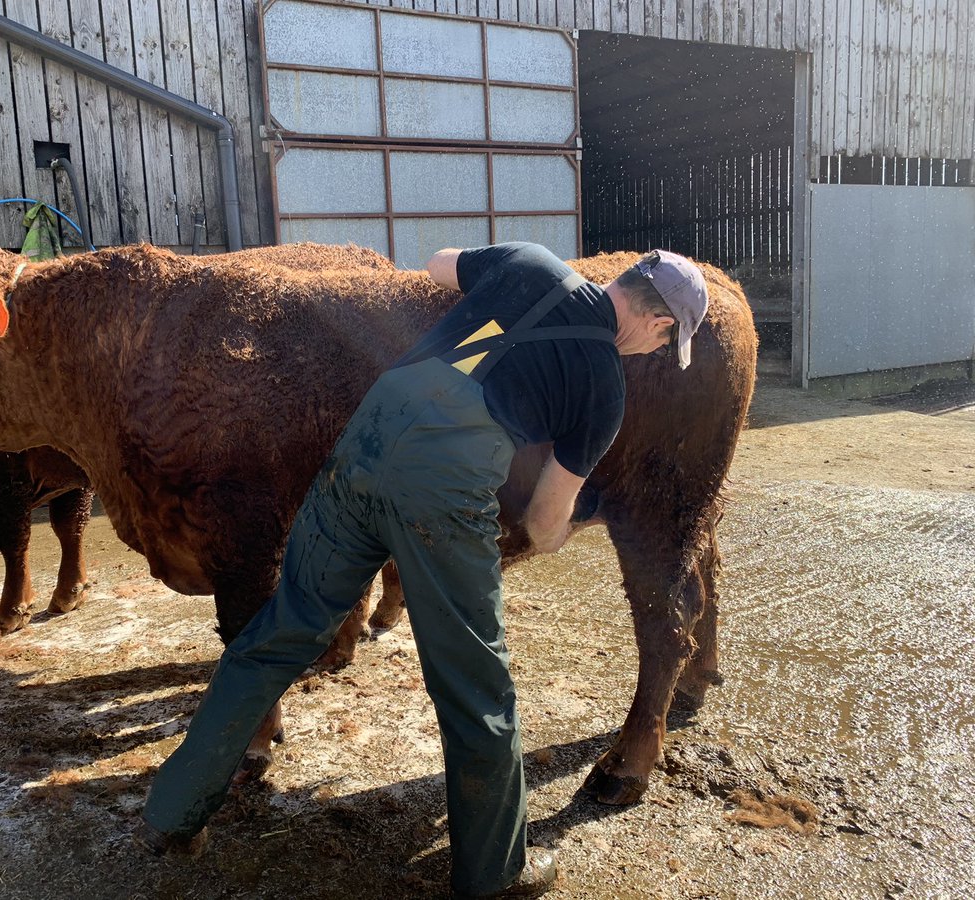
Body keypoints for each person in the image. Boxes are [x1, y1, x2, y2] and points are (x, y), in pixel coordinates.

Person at [134, 243, 710, 898]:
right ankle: (496, 871)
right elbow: (543, 524)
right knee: (476, 686)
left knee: (279, 633)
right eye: (664, 342)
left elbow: (438, 264)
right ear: (659, 323)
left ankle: (172, 814)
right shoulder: (604, 389)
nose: (654, 351)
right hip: (441, 488)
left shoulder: (531, 262)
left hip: (367, 440)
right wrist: (577, 523)